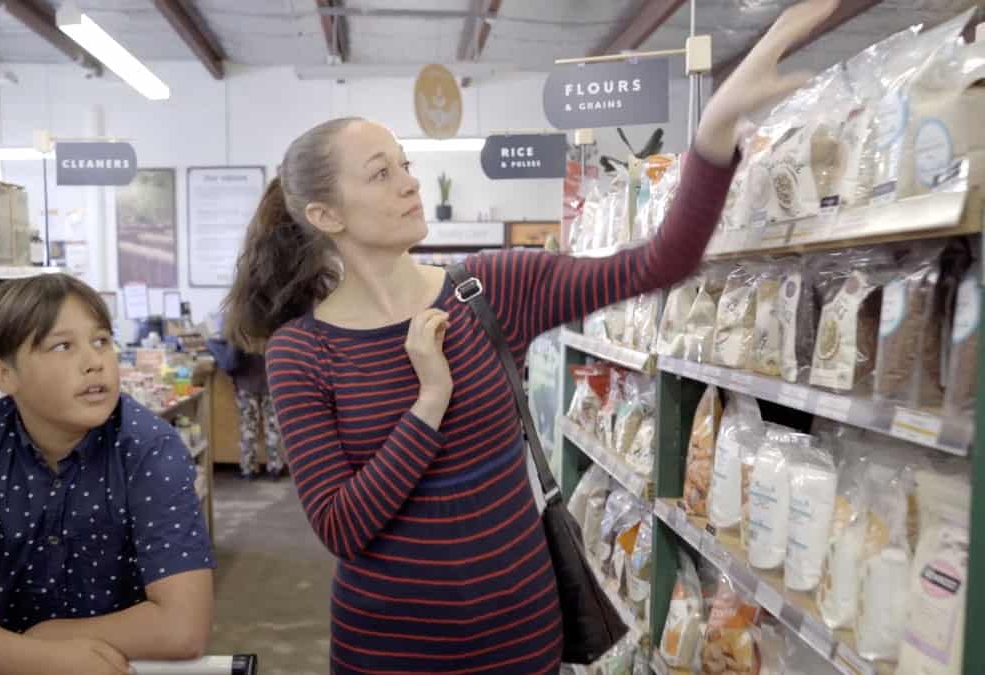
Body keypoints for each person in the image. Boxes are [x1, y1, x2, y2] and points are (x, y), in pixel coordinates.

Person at [221, 2, 834, 672]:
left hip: (522, 634)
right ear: (323, 213)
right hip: (387, 650)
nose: (409, 182)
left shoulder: (490, 289)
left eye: (404, 163)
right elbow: (342, 525)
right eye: (381, 173)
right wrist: (429, 401)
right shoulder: (303, 351)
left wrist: (715, 131)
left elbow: (658, 262)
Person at [0, 274, 216, 675]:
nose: (95, 362)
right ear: (5, 375)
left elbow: (182, 627)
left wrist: (51, 636)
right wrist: (41, 658)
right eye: (62, 346)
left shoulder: (149, 449)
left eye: (101, 340)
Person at [206, 326, 286, 479]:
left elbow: (230, 360)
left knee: (248, 427)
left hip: (246, 384)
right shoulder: (273, 323)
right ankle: (275, 468)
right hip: (270, 382)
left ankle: (248, 469)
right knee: (273, 428)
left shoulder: (242, 324)